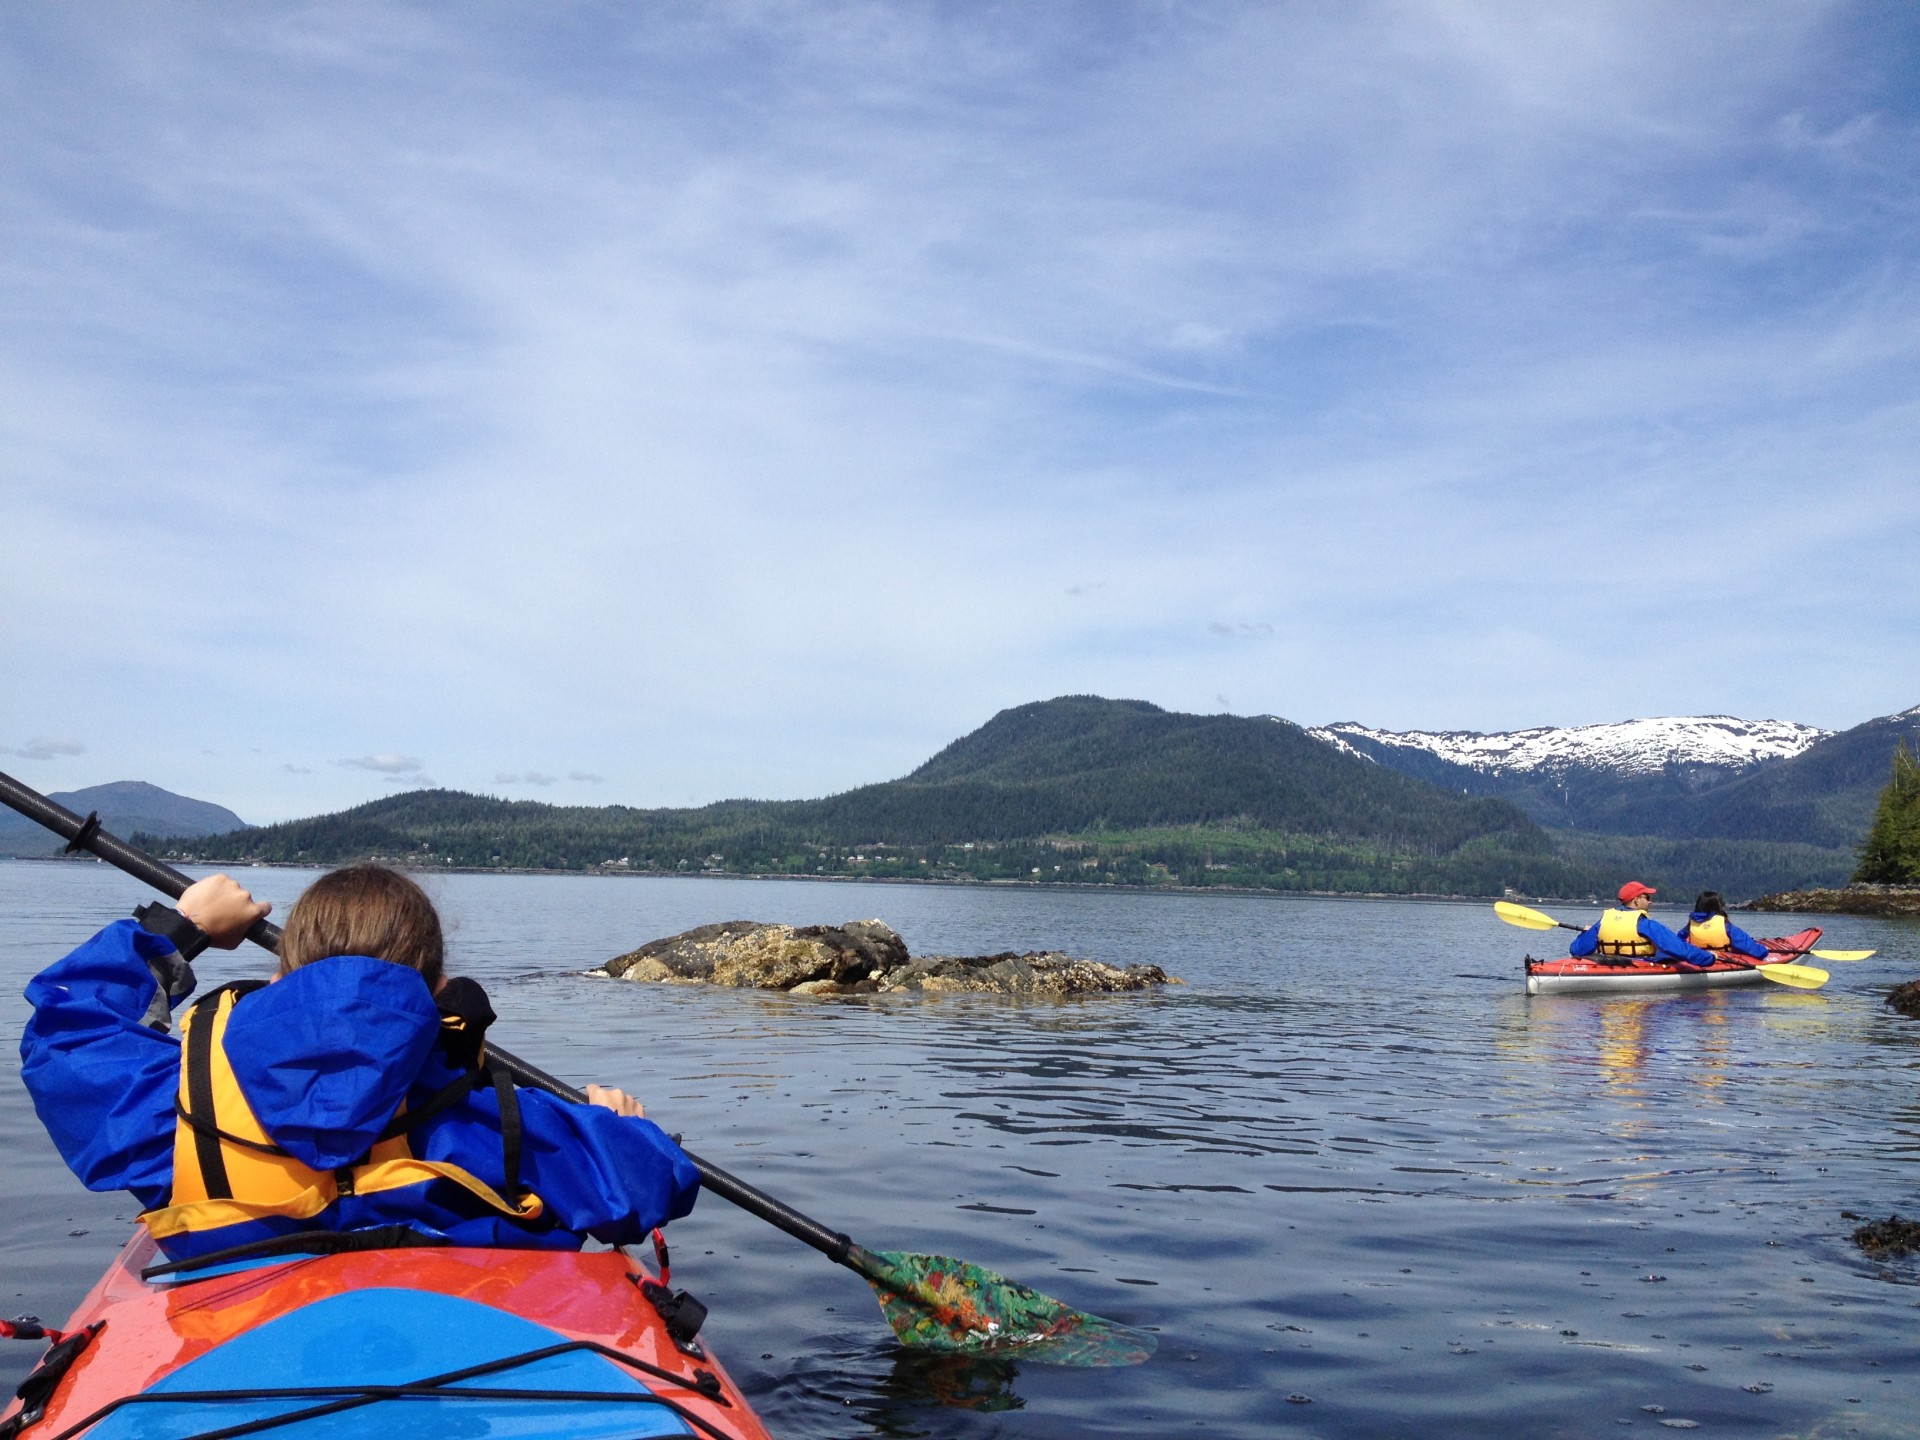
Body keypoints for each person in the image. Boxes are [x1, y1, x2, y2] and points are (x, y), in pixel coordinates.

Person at [21, 866, 700, 1262]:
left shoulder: (172, 1112)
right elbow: (654, 1187)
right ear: (436, 992)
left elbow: (68, 1028)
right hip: (463, 1351)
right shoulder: (502, 1124)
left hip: (239, 1348)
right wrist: (620, 1127)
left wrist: (181, 928)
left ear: (285, 976)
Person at [1568, 881, 1716, 968]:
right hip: (1638, 966)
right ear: (1637, 900)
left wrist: (1586, 934)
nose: (1650, 901)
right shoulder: (1644, 923)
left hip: (1608, 964)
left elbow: (1577, 950)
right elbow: (1678, 948)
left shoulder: (1603, 921)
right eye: (1648, 897)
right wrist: (1709, 958)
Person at [1677, 891, 1770, 960]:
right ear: (1717, 907)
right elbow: (1745, 944)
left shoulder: (1690, 925)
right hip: (1723, 957)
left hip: (1700, 955)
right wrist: (1763, 951)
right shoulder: (1725, 925)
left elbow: (1677, 942)